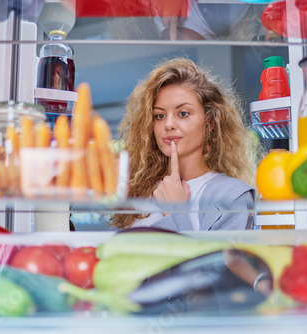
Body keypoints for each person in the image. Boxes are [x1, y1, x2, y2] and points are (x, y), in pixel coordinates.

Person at [110, 57, 261, 231]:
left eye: (183, 113)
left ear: (210, 123)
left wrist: (176, 212)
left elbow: (219, 259)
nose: (168, 124)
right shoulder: (135, 191)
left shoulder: (232, 196)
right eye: (159, 116)